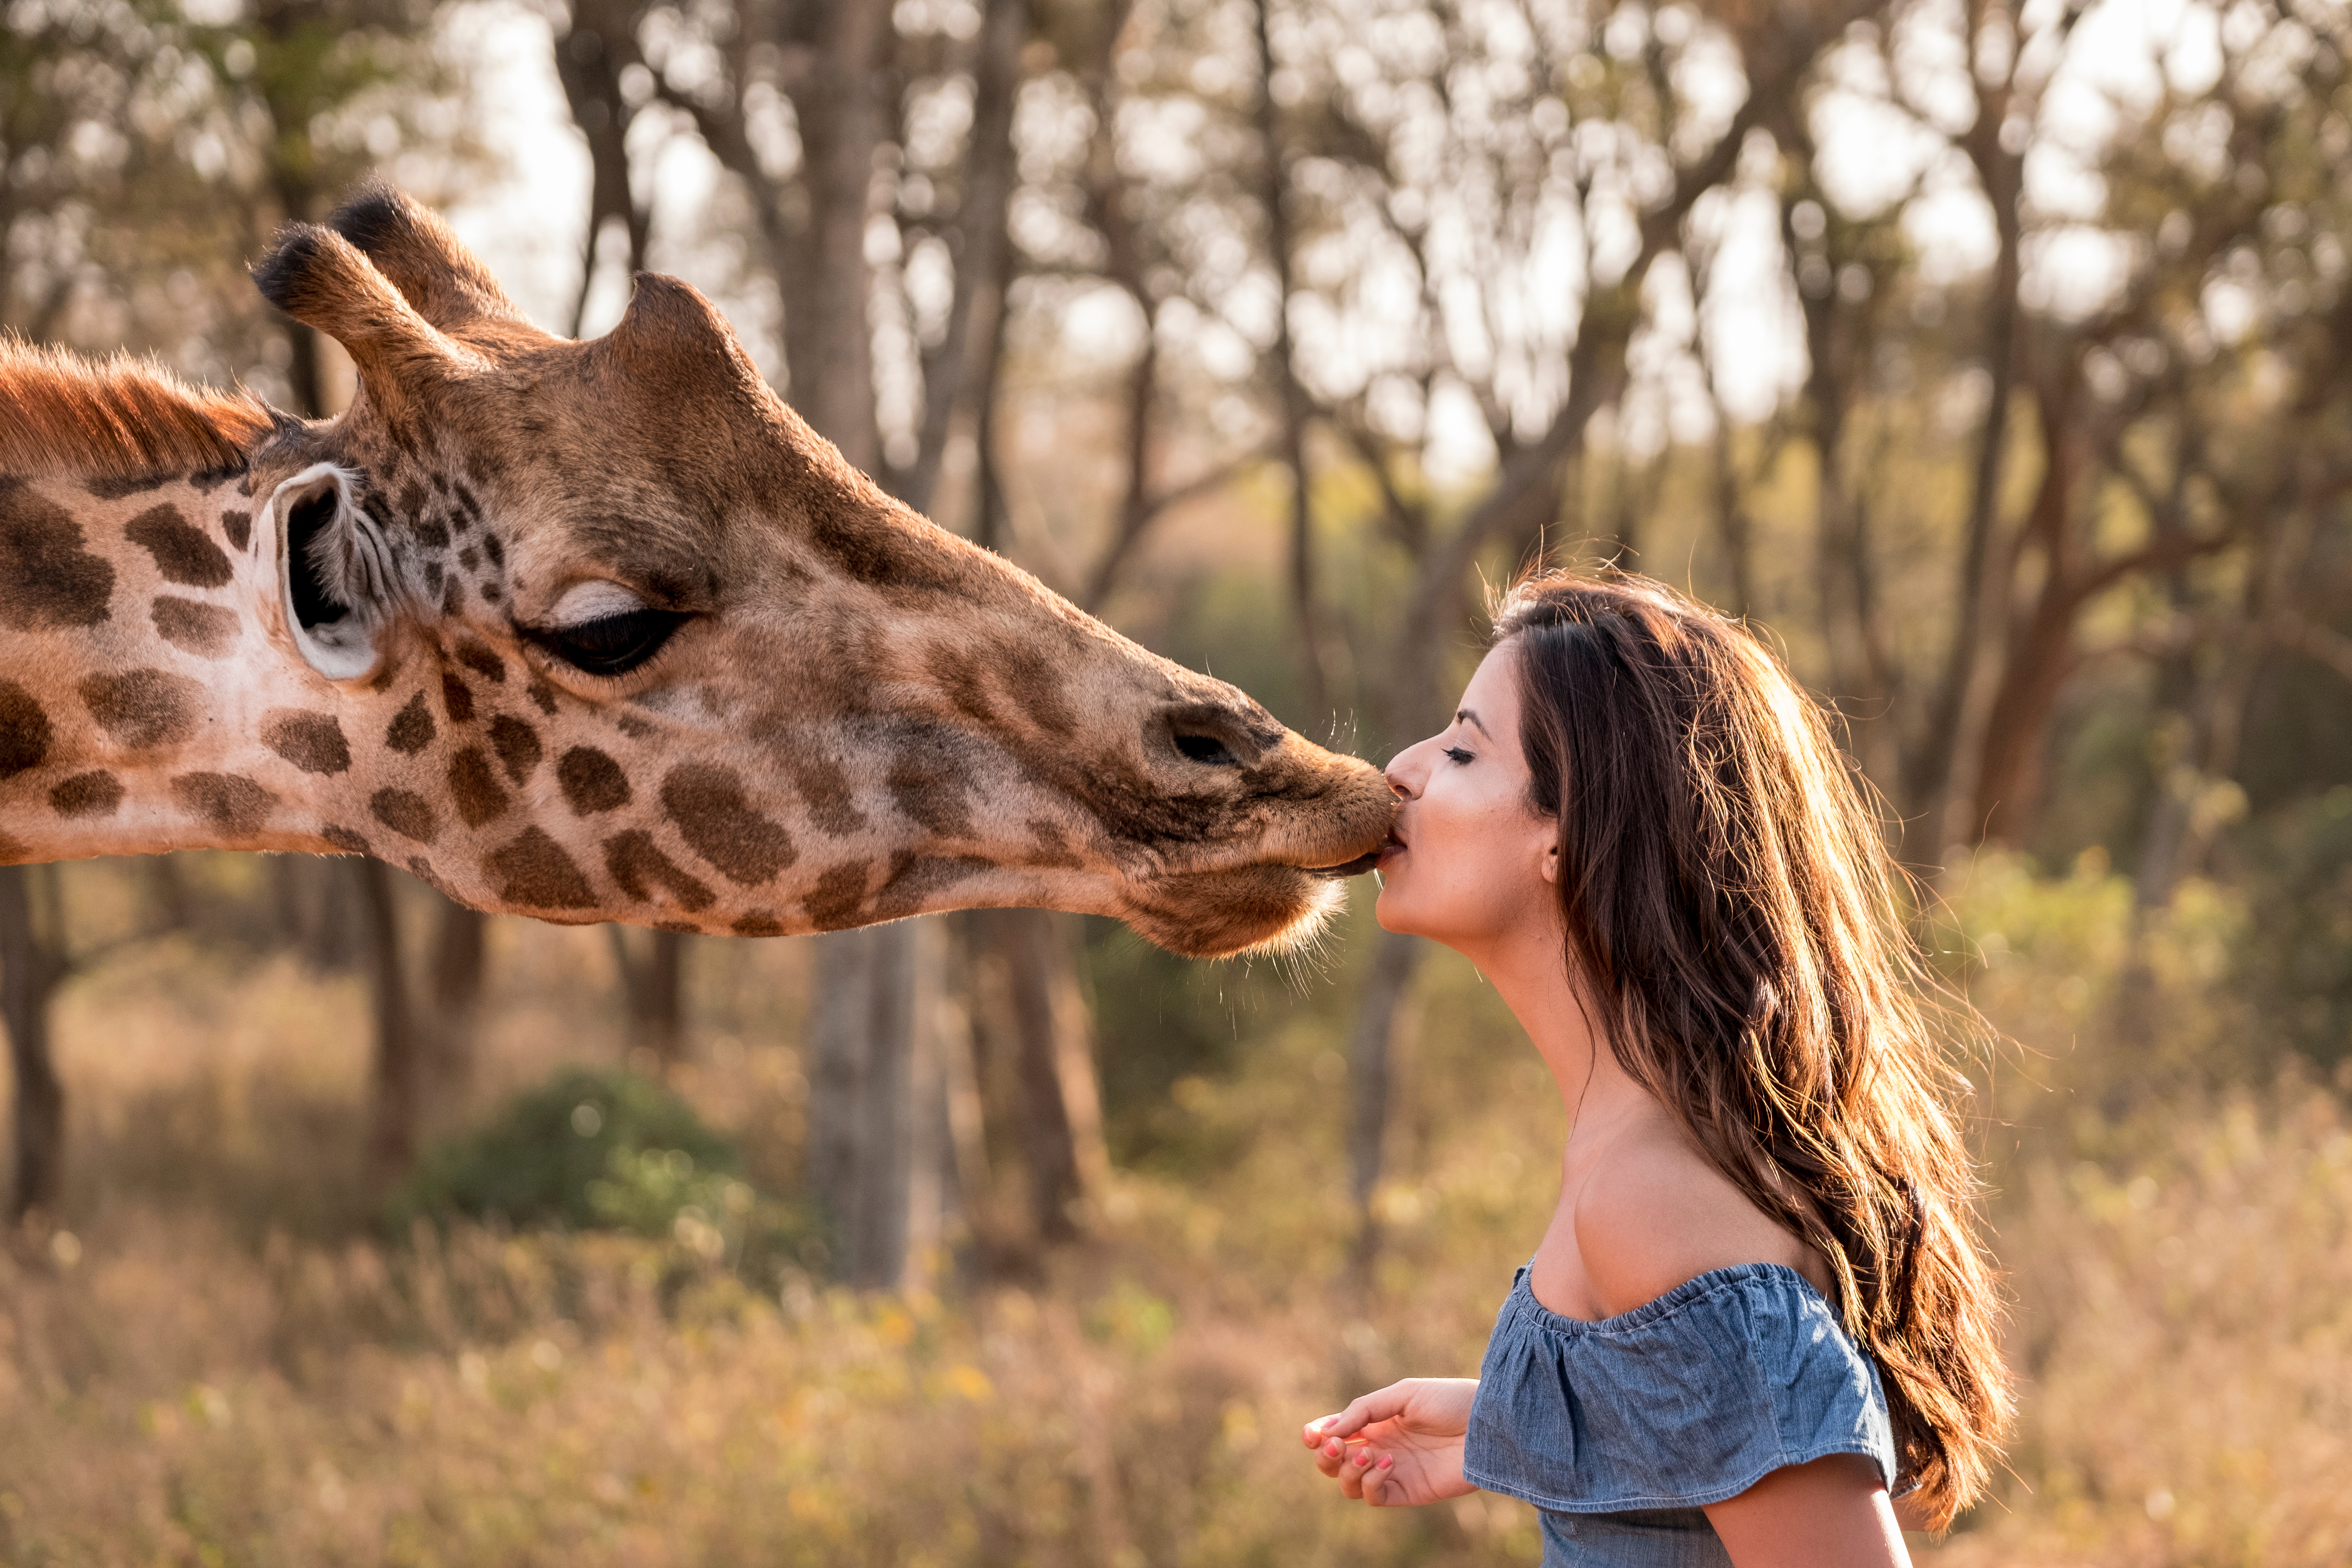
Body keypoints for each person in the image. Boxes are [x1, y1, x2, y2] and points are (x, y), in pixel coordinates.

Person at [1301, 573, 2010, 1567]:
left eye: (1463, 748)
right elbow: (1701, 1438)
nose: (1403, 769)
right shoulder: (1639, 1146)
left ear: (1570, 828)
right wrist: (1503, 1424)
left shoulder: (1647, 1193)